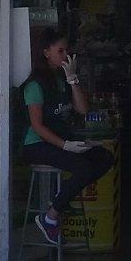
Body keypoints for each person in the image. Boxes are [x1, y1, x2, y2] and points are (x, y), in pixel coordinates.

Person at [20, 30, 113, 244]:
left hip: (61, 139)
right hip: (37, 143)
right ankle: (51, 217)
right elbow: (37, 125)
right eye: (60, 51)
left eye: (66, 50)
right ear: (46, 52)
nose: (65, 55)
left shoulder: (62, 78)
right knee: (83, 167)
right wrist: (65, 145)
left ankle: (61, 200)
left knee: (104, 157)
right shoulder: (35, 84)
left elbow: (82, 110)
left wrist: (73, 79)